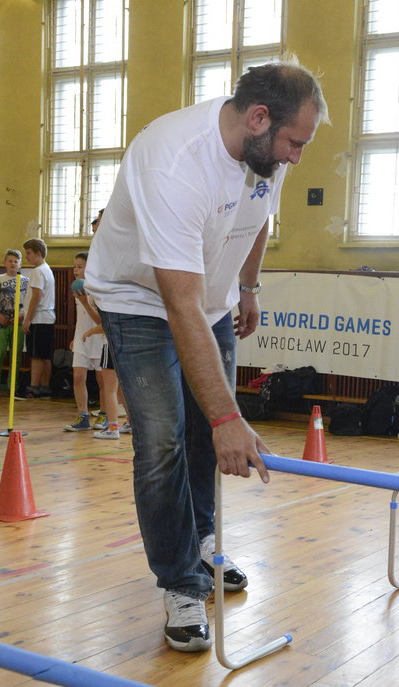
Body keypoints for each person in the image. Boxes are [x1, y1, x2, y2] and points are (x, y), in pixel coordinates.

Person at [85, 60, 328, 652]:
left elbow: (258, 218)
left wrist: (248, 286)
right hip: (138, 299)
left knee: (202, 436)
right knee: (166, 436)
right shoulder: (174, 161)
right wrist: (228, 418)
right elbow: (178, 305)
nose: (298, 157)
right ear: (258, 117)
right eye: (295, 143)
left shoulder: (265, 151)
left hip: (211, 302)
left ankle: (199, 544)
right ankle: (179, 585)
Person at [63, 252, 121, 436]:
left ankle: (105, 414)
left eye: (80, 266)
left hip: (99, 340)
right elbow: (82, 319)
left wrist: (85, 303)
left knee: (102, 380)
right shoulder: (78, 289)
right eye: (75, 266)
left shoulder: (97, 290)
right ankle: (83, 416)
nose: (75, 270)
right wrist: (76, 336)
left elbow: (101, 323)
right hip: (82, 339)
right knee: (78, 377)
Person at [19, 238, 55, 397]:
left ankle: (34, 388)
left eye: (28, 253)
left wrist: (27, 319)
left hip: (39, 318)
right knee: (45, 355)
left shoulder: (38, 271)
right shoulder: (47, 269)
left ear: (38, 254)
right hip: (47, 318)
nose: (27, 257)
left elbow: (36, 297)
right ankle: (44, 386)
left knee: (36, 355)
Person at [0, 249, 29, 389]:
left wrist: (22, 315)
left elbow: (29, 302)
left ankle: (13, 385)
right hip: (1, 322)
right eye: (10, 261)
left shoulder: (26, 282)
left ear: (20, 264)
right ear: (5, 263)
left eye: (16, 261)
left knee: (15, 356)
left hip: (18, 322)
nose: (12, 263)